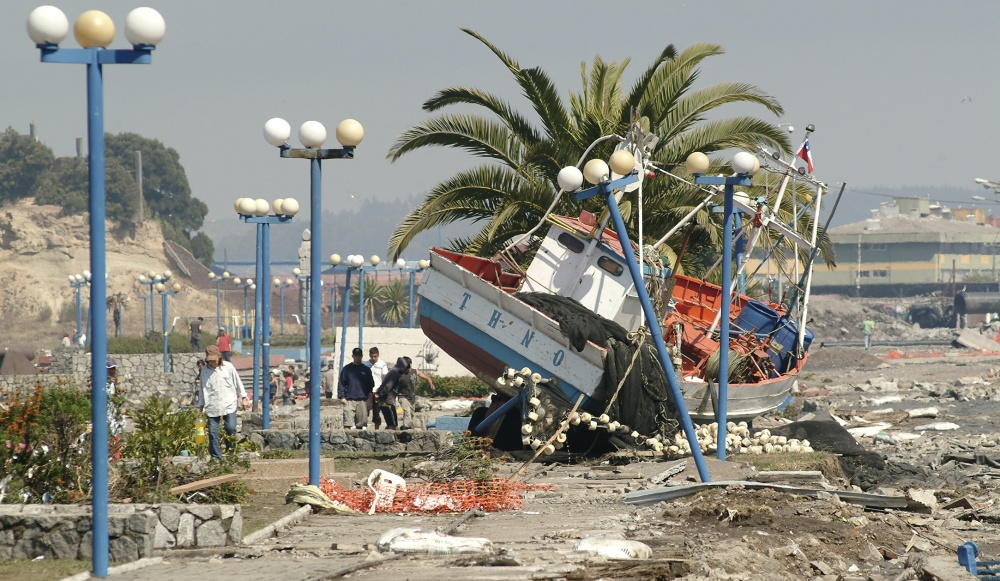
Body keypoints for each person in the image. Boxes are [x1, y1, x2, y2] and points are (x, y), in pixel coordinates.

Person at [198, 345, 249, 460]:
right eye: (210, 360)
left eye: (214, 360)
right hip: (212, 405)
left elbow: (238, 382)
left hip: (228, 403)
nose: (212, 362)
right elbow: (202, 389)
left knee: (230, 428)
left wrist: (244, 397)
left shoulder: (228, 367)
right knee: (213, 432)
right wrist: (201, 405)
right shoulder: (205, 371)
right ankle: (216, 457)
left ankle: (231, 451)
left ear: (219, 357)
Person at [339, 347, 375, 429]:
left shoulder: (366, 370)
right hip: (349, 399)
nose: (358, 358)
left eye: (359, 356)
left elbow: (370, 386)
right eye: (356, 356)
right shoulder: (347, 369)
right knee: (347, 423)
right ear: (353, 356)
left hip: (362, 400)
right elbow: (341, 383)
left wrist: (370, 400)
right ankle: (347, 436)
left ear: (362, 356)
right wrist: (342, 397)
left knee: (361, 424)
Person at [399, 356, 435, 429]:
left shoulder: (415, 371)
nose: (407, 370)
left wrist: (431, 384)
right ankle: (406, 427)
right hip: (402, 396)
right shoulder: (399, 373)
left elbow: (427, 377)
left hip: (411, 397)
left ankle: (405, 427)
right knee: (407, 411)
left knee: (411, 413)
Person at [365, 347, 389, 429]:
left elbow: (385, 378)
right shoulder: (366, 365)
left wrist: (381, 390)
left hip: (377, 390)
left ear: (378, 355)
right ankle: (364, 428)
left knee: (376, 412)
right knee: (365, 411)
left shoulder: (382, 364)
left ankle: (376, 429)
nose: (373, 358)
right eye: (372, 356)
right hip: (367, 391)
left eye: (375, 356)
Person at [106, 357, 125, 461]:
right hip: (105, 415)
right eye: (110, 369)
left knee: (115, 434)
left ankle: (115, 457)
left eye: (113, 369)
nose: (112, 371)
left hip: (112, 414)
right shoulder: (102, 384)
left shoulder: (111, 383)